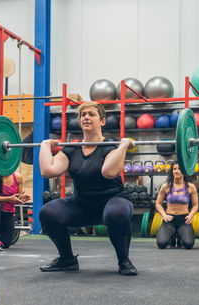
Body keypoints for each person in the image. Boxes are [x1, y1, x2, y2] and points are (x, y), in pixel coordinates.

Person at [38, 101, 137, 276]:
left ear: (103, 121)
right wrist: (45, 145)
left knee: (116, 213)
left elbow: (109, 172)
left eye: (91, 114)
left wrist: (123, 146)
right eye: (83, 115)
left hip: (113, 201)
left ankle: (124, 261)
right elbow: (48, 171)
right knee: (47, 212)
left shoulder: (109, 146)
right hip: (83, 205)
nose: (86, 117)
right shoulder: (72, 149)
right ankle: (67, 260)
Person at [155, 162, 199, 249]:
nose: (177, 171)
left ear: (183, 171)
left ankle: (180, 235)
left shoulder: (191, 187)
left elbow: (195, 205)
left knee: (188, 244)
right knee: (161, 244)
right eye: (174, 169)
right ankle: (172, 235)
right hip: (169, 220)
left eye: (179, 169)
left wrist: (190, 216)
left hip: (184, 220)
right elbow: (158, 204)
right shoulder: (165, 186)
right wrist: (164, 215)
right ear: (172, 171)